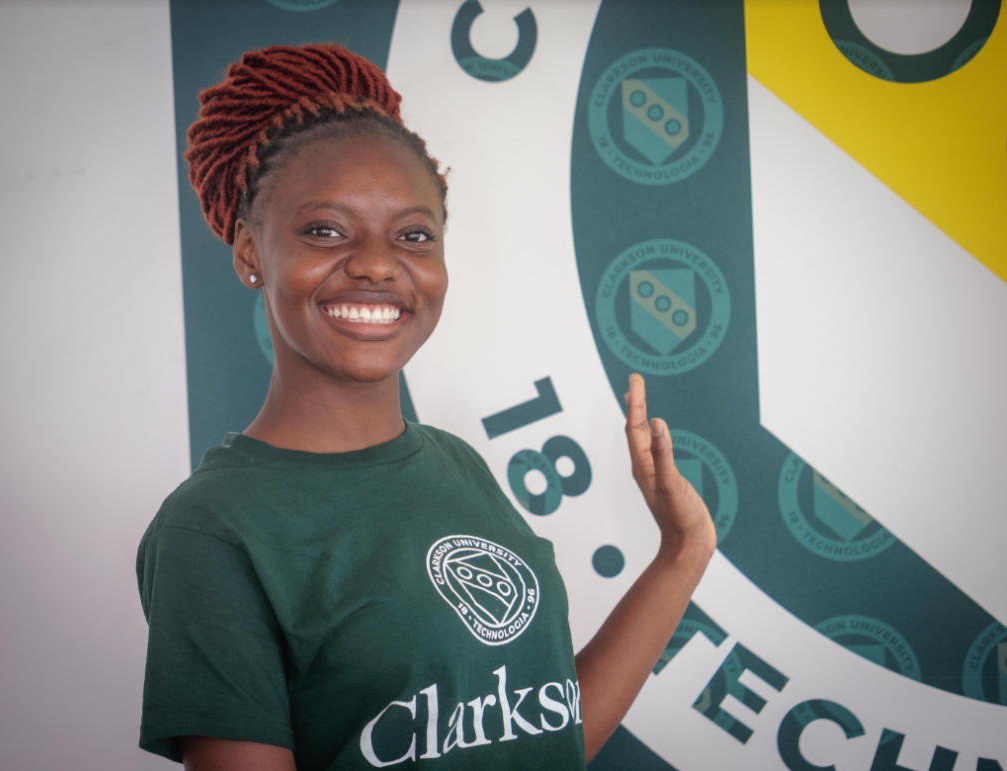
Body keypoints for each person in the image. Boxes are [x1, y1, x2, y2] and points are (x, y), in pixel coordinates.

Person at [137, 43, 716, 771]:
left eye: (414, 235)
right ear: (251, 251)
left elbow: (543, 741)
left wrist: (683, 551)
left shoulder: (457, 465)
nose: (379, 264)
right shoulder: (214, 530)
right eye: (325, 230)